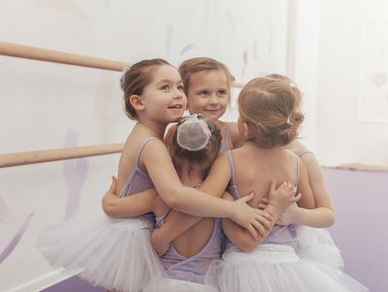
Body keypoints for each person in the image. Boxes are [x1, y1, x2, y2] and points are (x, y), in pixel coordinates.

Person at [37, 59, 272, 292]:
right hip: (143, 231)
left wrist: (113, 204)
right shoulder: (156, 143)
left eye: (179, 87)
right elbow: (175, 195)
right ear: (138, 102)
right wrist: (231, 209)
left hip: (168, 227)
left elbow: (164, 194)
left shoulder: (161, 136)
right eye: (166, 87)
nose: (177, 94)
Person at [104, 115, 296, 291]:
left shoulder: (157, 197)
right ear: (215, 156)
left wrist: (110, 195)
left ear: (170, 150)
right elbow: (247, 241)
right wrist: (274, 208)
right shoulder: (223, 201)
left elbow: (112, 208)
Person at [213, 76, 368, 291]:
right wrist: (292, 214)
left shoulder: (229, 160)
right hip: (289, 265)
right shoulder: (294, 163)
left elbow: (207, 200)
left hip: (242, 266)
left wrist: (228, 204)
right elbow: (321, 213)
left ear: (246, 127)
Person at [259, 73, 343, 269]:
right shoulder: (246, 150)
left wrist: (295, 215)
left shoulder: (304, 157)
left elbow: (327, 214)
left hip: (291, 246)